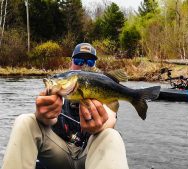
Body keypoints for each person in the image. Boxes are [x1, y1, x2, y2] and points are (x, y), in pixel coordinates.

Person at [1, 43, 129, 169]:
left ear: (95, 67)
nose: (83, 65)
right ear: (70, 64)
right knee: (25, 121)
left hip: (89, 155)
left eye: (89, 62)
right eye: (78, 60)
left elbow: (110, 118)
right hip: (58, 155)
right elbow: (49, 118)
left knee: (112, 135)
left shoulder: (103, 87)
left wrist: (100, 126)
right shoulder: (57, 91)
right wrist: (42, 116)